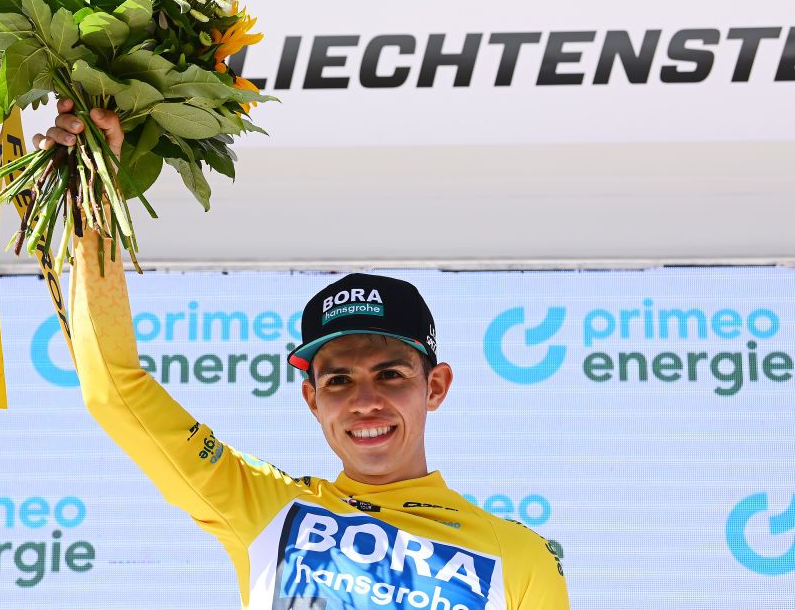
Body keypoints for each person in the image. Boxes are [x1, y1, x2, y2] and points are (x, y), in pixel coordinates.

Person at [36, 99, 570, 609]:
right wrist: (94, 195)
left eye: (389, 374)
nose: (365, 402)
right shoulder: (266, 507)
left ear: (435, 387)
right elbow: (114, 388)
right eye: (339, 381)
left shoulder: (518, 558)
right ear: (311, 398)